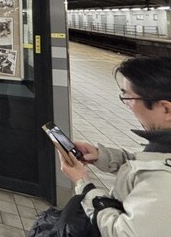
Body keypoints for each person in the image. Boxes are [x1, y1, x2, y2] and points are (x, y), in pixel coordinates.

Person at [57, 56, 171, 236]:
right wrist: (103, 156)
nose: (127, 104)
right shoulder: (163, 148)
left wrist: (83, 184)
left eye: (128, 96)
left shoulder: (164, 182)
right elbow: (150, 164)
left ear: (166, 109)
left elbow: (123, 232)